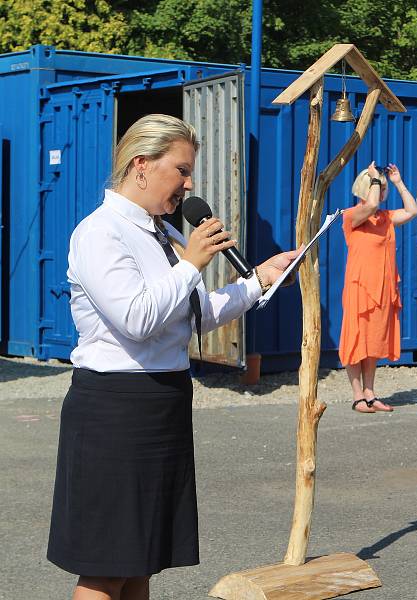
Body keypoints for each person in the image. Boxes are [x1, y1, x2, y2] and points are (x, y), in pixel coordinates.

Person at [47, 114, 301, 600]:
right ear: (141, 165)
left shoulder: (163, 234)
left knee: (143, 559)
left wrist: (258, 280)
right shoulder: (100, 233)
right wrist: (190, 264)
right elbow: (137, 319)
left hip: (163, 400)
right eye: (181, 171)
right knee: (105, 566)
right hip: (114, 407)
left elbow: (194, 315)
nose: (189, 185)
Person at [339, 161, 417, 413]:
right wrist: (375, 177)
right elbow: (371, 204)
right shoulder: (352, 216)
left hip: (383, 289)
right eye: (380, 187)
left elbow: (413, 210)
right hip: (359, 288)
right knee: (356, 340)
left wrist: (397, 182)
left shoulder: (385, 218)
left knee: (372, 342)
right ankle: (357, 396)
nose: (383, 192)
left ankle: (370, 392)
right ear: (368, 188)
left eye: (383, 188)